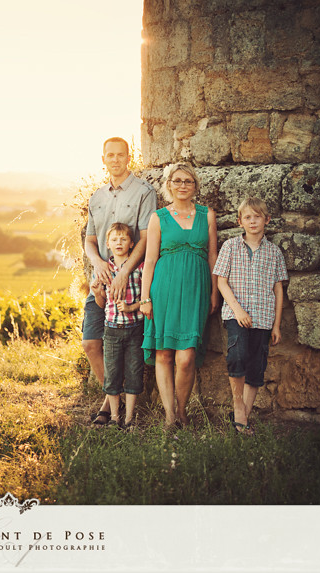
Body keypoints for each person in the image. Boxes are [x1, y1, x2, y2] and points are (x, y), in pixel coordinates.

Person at [83, 137, 157, 427]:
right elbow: (90, 241)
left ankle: (110, 407)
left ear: (129, 157)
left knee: (129, 348)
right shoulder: (97, 197)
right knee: (91, 343)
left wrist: (124, 271)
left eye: (120, 155)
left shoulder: (144, 192)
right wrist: (98, 263)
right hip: (101, 280)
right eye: (109, 155)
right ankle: (112, 398)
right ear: (103, 159)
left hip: (131, 282)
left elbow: (145, 238)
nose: (115, 159)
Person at [140, 163, 218, 428]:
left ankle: (183, 410)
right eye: (177, 181)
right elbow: (150, 260)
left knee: (185, 357)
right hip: (163, 289)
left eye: (188, 181)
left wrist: (214, 292)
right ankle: (170, 415)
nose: (182, 185)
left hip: (196, 288)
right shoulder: (158, 217)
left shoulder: (207, 215)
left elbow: (212, 256)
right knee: (163, 354)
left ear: (195, 186)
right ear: (169, 185)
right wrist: (145, 298)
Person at [213, 196, 288, 435]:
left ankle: (243, 419)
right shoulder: (230, 246)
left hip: (264, 318)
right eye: (247, 217)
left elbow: (278, 289)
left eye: (257, 216)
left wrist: (276, 325)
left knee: (256, 366)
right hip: (237, 314)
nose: (252, 221)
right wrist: (237, 309)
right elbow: (221, 281)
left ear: (266, 220)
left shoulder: (274, 252)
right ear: (239, 221)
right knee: (237, 356)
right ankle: (238, 407)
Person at [89, 223, 145, 429]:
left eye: (123, 239)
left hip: (135, 329)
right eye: (115, 240)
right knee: (112, 375)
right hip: (111, 329)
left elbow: (149, 299)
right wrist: (96, 293)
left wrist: (132, 307)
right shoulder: (105, 270)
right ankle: (114, 417)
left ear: (132, 244)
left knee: (133, 373)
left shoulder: (140, 268)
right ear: (108, 244)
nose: (119, 243)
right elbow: (102, 303)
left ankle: (130, 418)